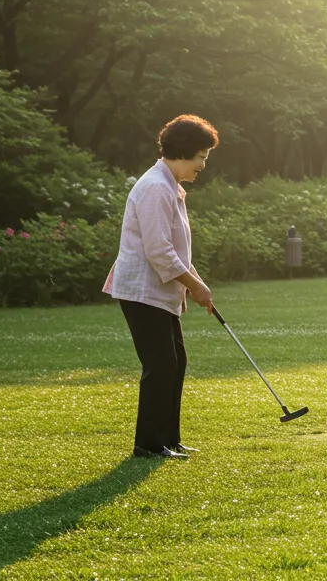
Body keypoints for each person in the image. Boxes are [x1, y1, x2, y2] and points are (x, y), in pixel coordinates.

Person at [104, 114, 219, 460]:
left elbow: (176, 249)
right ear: (184, 152)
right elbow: (159, 251)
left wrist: (198, 284)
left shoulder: (171, 186)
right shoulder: (155, 187)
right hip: (142, 290)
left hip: (159, 291)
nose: (202, 165)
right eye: (201, 156)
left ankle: (169, 438)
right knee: (162, 364)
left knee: (176, 361)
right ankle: (149, 445)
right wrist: (194, 287)